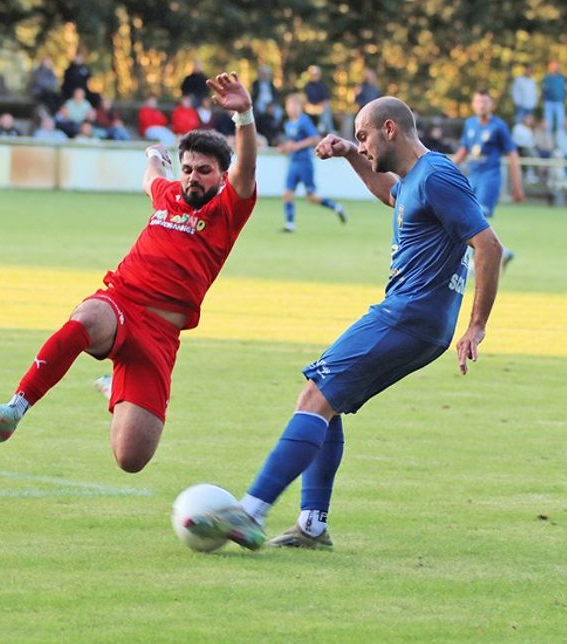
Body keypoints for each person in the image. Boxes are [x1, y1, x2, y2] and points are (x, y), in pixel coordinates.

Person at [182, 97, 505, 550]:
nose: (362, 145)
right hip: (417, 318)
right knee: (324, 397)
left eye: (363, 136)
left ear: (389, 129)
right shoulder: (416, 180)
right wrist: (350, 155)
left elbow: (488, 245)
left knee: (314, 396)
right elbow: (384, 191)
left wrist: (477, 325)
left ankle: (249, 513)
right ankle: (312, 527)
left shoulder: (437, 176)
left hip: (411, 314)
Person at [0, 73, 259, 479]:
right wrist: (154, 158)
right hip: (121, 301)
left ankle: (115, 386)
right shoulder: (170, 194)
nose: (194, 177)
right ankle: (14, 410)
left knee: (130, 458)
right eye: (189, 169)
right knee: (87, 319)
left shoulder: (229, 210)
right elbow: (151, 180)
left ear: (221, 176)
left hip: (160, 335)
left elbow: (246, 167)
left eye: (205, 171)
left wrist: (244, 114)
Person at [451, 89, 523, 267]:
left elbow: (512, 155)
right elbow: (463, 150)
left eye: (485, 102)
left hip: (490, 178)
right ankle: (502, 253)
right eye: (478, 102)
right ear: (473, 105)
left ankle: (470, 264)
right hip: (471, 179)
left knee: (477, 218)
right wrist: (446, 170)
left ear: (491, 105)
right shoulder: (470, 124)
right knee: (468, 218)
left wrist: (517, 186)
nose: (482, 105)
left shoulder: (499, 126)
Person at [279, 93, 347, 232]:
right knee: (287, 193)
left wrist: (296, 146)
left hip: (304, 162)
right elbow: (293, 142)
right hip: (293, 161)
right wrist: (286, 148)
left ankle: (336, 207)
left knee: (311, 197)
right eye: (290, 105)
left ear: (300, 107)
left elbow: (315, 138)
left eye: (295, 105)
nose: (292, 108)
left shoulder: (304, 121)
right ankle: (290, 224)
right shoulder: (288, 124)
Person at [303, 65, 335, 134]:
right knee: (326, 112)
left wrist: (320, 107)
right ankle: (328, 131)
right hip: (310, 107)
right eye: (313, 74)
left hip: (321, 108)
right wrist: (313, 107)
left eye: (317, 74)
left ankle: (322, 128)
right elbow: (305, 101)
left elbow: (327, 100)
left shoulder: (323, 86)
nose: (315, 76)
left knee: (326, 110)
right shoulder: (307, 87)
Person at [541, 60, 567, 134]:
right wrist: (545, 99)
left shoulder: (561, 78)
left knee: (561, 122)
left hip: (559, 102)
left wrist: (563, 99)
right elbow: (543, 90)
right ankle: (548, 141)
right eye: (553, 66)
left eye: (556, 66)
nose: (554, 68)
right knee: (548, 123)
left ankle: (560, 139)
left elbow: (564, 90)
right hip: (548, 102)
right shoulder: (546, 78)